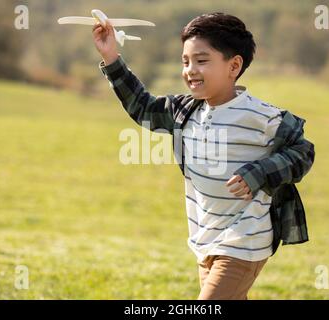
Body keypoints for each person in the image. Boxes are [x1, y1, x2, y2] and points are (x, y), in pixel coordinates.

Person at [92, 12, 315, 300]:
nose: (190, 70)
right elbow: (143, 107)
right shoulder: (185, 111)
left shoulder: (262, 117)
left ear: (234, 65)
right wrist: (111, 56)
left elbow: (302, 151)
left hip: (244, 240)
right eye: (185, 61)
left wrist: (259, 173)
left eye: (201, 60)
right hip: (205, 239)